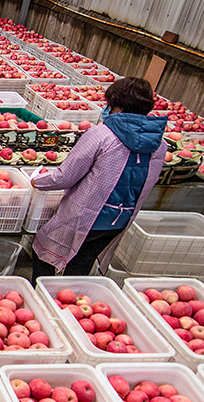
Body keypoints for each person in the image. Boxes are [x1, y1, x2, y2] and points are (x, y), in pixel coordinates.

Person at [30, 77, 167, 278]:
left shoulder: (101, 135)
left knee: (45, 253)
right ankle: (70, 294)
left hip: (86, 216)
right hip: (119, 221)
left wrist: (36, 180)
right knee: (82, 262)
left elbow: (65, 177)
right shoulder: (159, 144)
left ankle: (42, 291)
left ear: (117, 104)